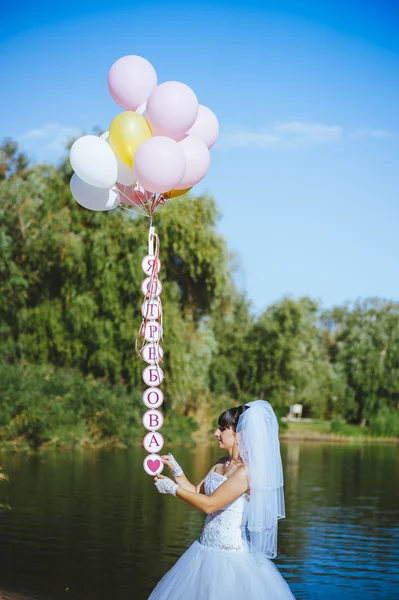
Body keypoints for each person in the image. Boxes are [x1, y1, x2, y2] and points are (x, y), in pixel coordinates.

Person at [148, 400, 296, 599]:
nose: (216, 433)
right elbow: (196, 492)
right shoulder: (221, 463)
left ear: (240, 434)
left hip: (229, 558)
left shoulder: (246, 473)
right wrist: (176, 470)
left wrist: (172, 489)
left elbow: (210, 505)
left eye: (222, 429)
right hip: (203, 549)